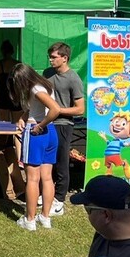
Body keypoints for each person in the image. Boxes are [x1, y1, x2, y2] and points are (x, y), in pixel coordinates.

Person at [8, 63, 60, 231]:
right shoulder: (44, 84)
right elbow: (37, 108)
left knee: (32, 178)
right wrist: (23, 117)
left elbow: (55, 109)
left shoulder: (35, 89)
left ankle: (29, 220)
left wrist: (40, 125)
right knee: (47, 178)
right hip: (51, 133)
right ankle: (45, 217)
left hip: (37, 133)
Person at [43, 42, 85, 216]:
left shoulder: (73, 79)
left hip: (63, 125)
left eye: (54, 57)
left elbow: (80, 109)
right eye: (50, 57)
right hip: (46, 123)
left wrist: (58, 110)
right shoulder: (47, 73)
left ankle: (59, 201)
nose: (50, 60)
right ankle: (46, 194)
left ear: (64, 58)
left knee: (61, 163)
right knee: (46, 162)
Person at [0, 40, 23, 123]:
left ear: (2, 51)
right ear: (12, 51)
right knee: (17, 123)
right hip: (15, 94)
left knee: (3, 124)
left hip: (2, 95)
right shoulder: (18, 64)